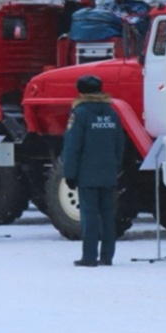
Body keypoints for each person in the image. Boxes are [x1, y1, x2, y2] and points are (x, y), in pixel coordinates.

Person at [62, 74, 125, 267]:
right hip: (108, 172)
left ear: (80, 91)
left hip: (87, 174)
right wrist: (115, 167)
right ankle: (107, 256)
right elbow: (119, 143)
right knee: (107, 215)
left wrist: (69, 174)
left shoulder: (80, 114)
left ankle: (89, 257)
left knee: (89, 216)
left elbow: (73, 146)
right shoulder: (111, 112)